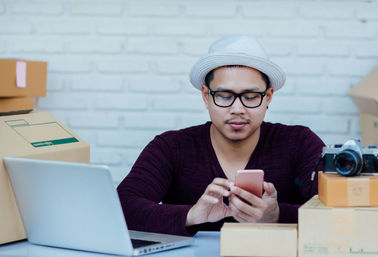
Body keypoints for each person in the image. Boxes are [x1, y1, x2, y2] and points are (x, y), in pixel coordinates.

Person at [117, 35, 324, 236]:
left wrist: (277, 215)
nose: (237, 109)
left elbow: (339, 212)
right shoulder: (172, 147)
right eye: (224, 96)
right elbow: (121, 205)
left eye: (250, 97)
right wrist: (192, 215)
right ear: (206, 96)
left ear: (268, 96)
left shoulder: (299, 143)